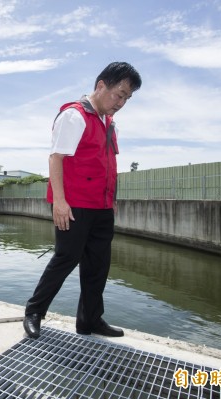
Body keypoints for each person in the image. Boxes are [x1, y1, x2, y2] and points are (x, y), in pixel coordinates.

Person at [23, 62, 142, 339]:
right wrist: (60, 202)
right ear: (101, 85)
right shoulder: (74, 116)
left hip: (102, 207)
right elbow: (56, 158)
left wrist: (111, 201)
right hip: (74, 206)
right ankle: (34, 312)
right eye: (119, 94)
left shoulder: (110, 124)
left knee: (98, 265)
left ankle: (89, 320)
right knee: (66, 258)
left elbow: (107, 165)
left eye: (127, 98)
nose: (122, 102)